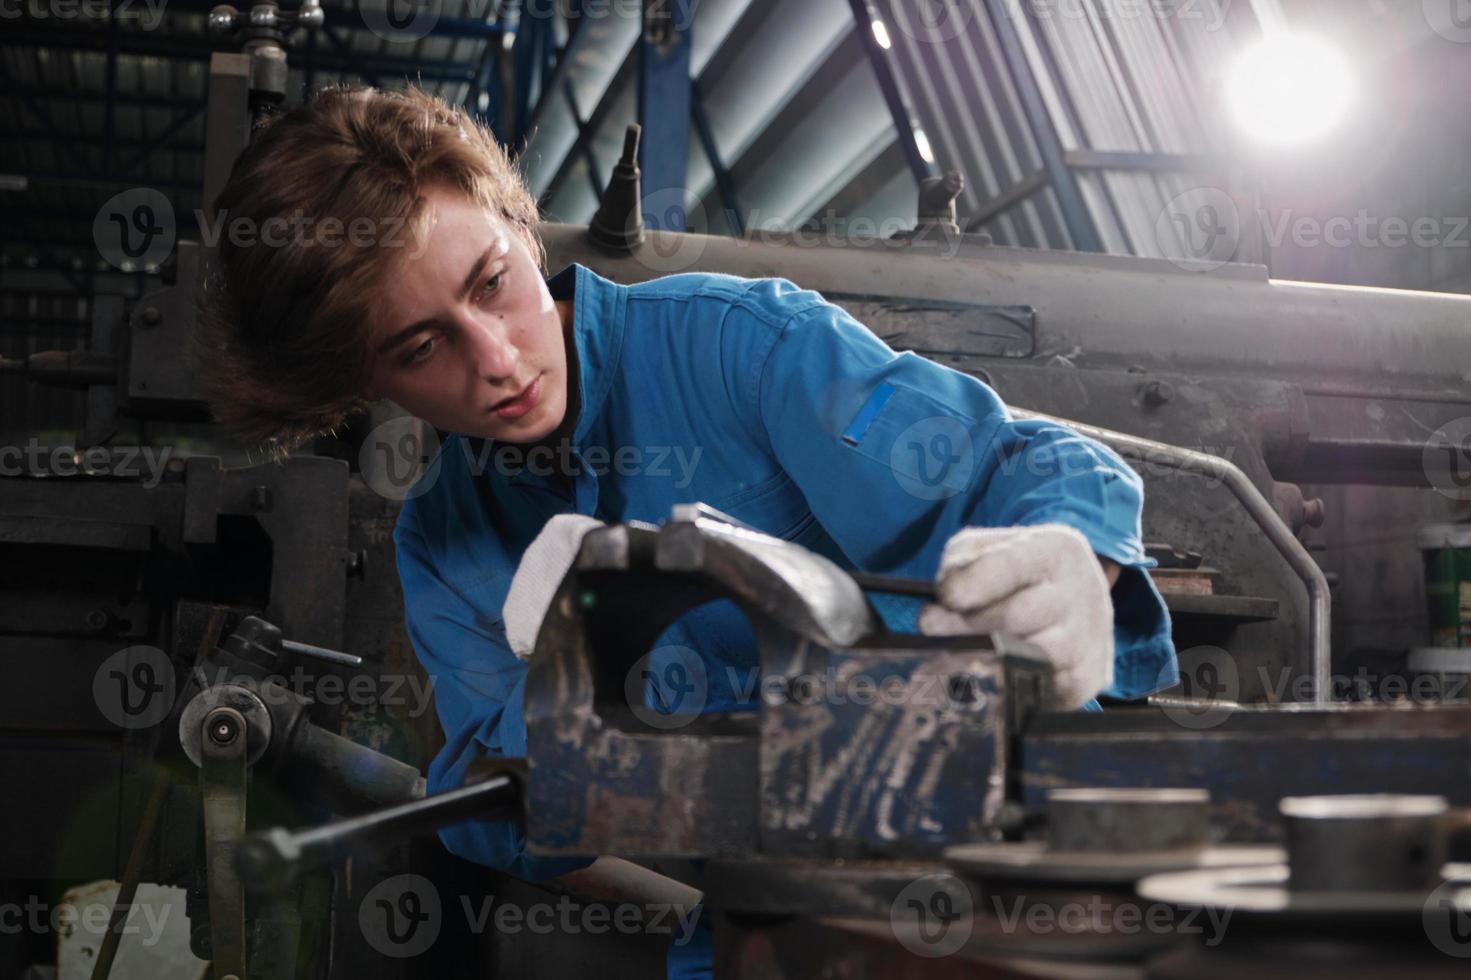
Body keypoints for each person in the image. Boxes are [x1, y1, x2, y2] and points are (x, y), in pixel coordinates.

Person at [196, 85, 1177, 977]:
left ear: (517, 227)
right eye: (421, 345)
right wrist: (569, 681)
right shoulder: (446, 543)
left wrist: (1071, 556)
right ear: (368, 385)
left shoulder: (740, 348)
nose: (494, 359)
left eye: (491, 283)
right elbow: (497, 825)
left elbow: (1023, 465)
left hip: (1004, 905)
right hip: (763, 935)